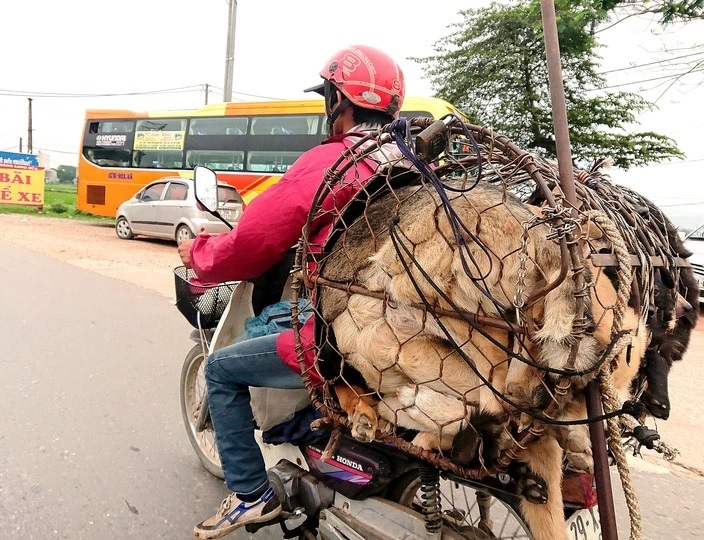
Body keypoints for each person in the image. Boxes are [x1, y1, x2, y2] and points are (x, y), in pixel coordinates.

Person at [178, 44, 406, 539]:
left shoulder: (336, 162)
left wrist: (200, 255)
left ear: (340, 104)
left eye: (331, 98)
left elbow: (256, 239)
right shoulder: (406, 164)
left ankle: (251, 495)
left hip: (342, 334)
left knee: (220, 369)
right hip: (402, 323)